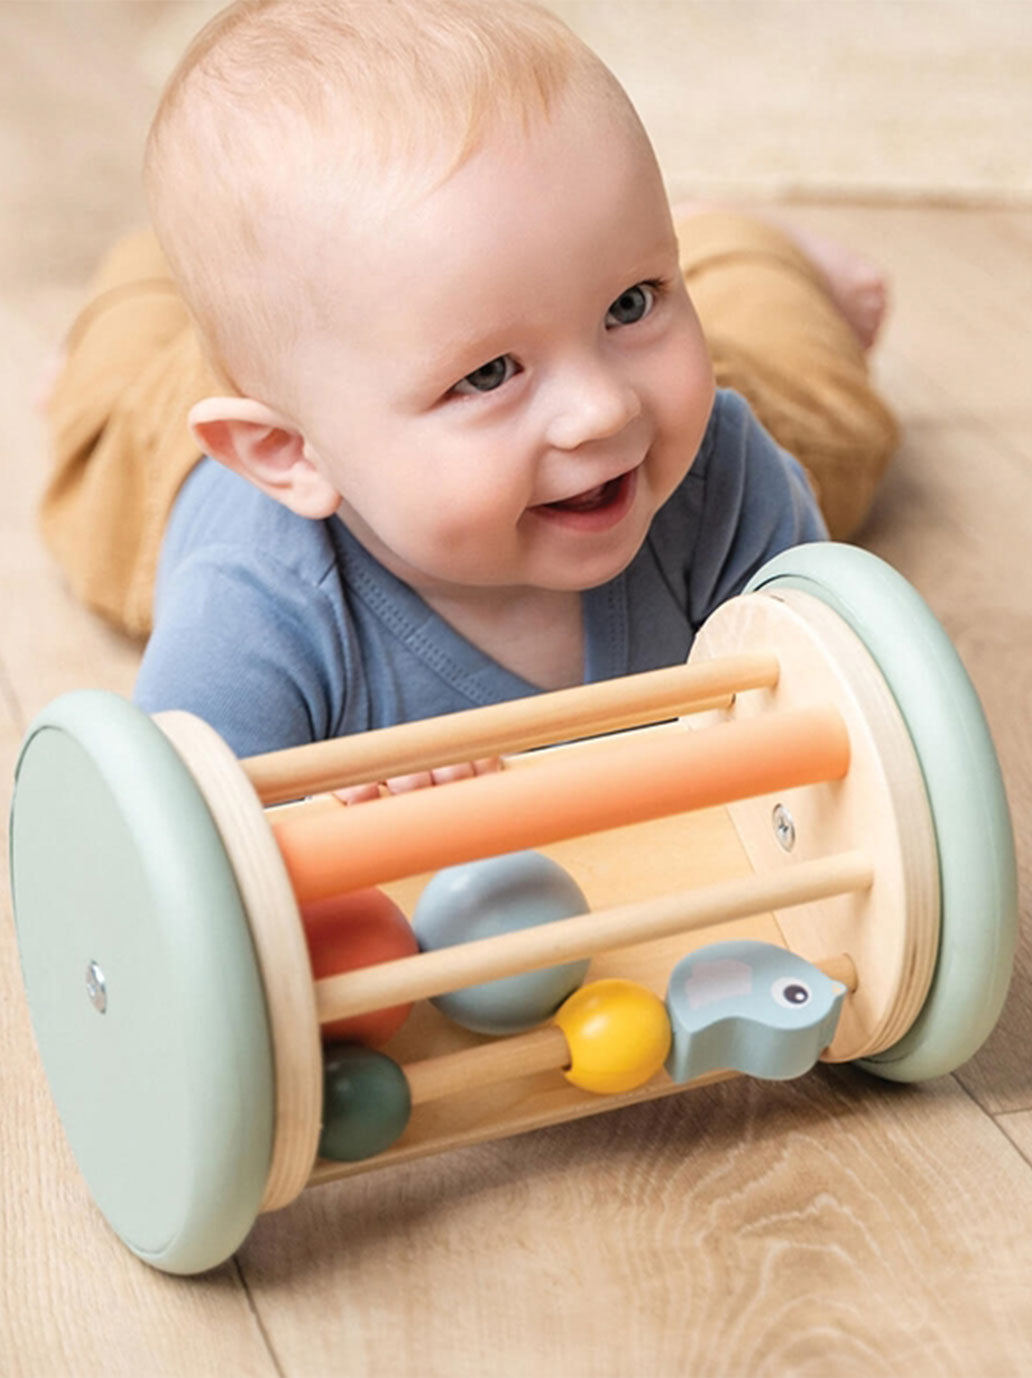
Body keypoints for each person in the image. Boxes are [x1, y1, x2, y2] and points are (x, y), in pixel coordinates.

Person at [40, 0, 898, 793]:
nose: (604, 409)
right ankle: (147, 268)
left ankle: (730, 240)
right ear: (289, 453)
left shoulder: (713, 473)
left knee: (824, 410)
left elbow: (838, 724)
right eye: (488, 374)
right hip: (161, 436)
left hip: (425, 325)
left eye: (631, 300)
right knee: (114, 371)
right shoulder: (249, 608)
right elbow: (177, 864)